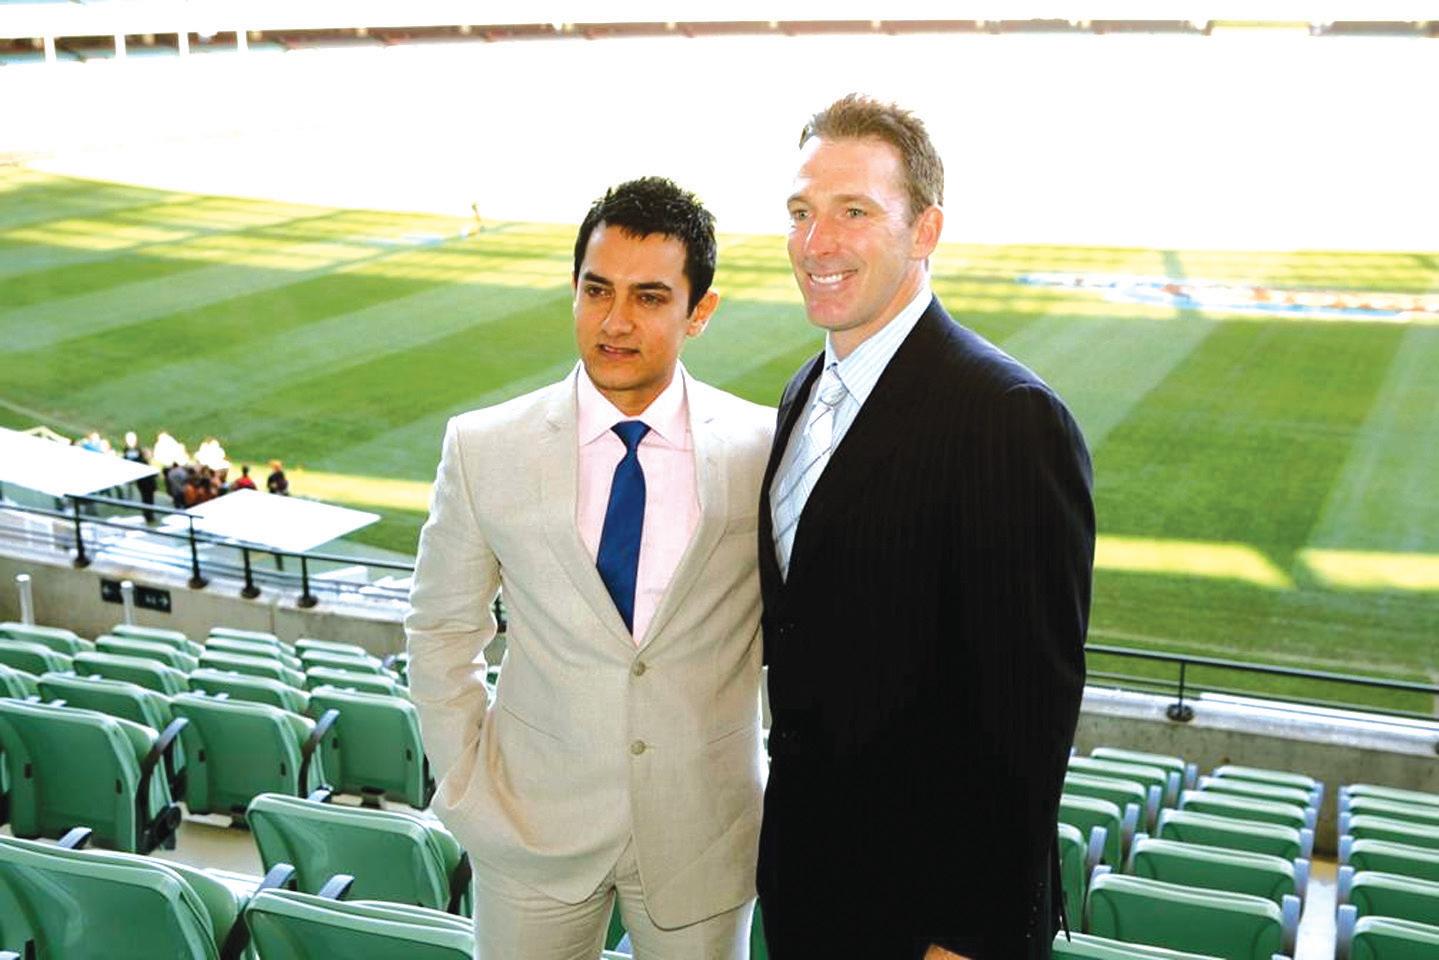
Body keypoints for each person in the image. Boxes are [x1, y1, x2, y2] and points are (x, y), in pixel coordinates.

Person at [756, 94, 1095, 959]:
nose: (815, 242)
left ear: (926, 229)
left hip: (927, 919)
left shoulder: (1007, 417)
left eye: (853, 212)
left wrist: (965, 940)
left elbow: (1028, 715)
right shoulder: (804, 392)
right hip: (807, 888)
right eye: (800, 211)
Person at [406, 176, 773, 960]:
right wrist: (464, 784)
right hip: (529, 827)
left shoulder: (762, 449)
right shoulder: (483, 447)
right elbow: (440, 628)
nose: (614, 321)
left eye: (649, 297)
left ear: (699, 311)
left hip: (704, 831)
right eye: (597, 289)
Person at [121, 431, 158, 522]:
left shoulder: (134, 451)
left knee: (148, 498)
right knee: (147, 498)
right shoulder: (131, 452)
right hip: (144, 479)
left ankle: (149, 515)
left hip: (145, 478)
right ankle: (148, 516)